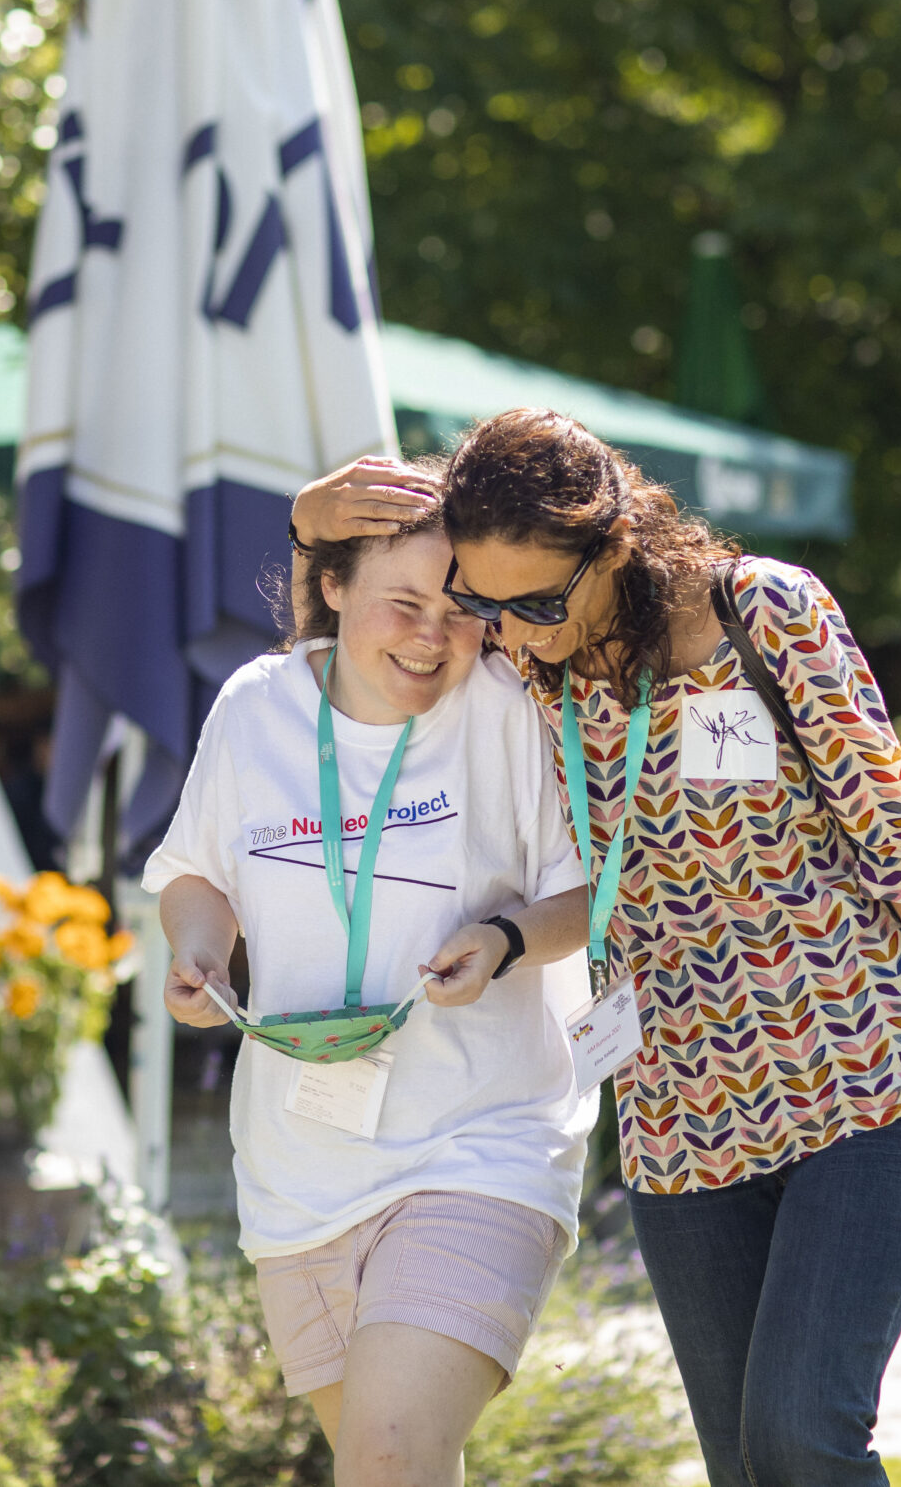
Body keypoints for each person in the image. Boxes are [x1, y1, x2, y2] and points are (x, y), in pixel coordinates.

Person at [292, 414, 901, 1487]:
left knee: (803, 1439)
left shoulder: (761, 613)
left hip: (863, 1078)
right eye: (483, 602)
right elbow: (354, 638)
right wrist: (302, 524)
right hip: (678, 1116)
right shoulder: (532, 667)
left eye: (539, 603)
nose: (510, 633)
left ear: (616, 542)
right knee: (742, 1465)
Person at [146, 495, 595, 1487]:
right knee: (393, 1466)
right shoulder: (255, 707)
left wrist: (502, 937)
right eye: (403, 604)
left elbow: (594, 895)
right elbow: (197, 873)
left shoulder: (507, 708)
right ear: (334, 587)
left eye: (458, 608)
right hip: (296, 1168)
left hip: (481, 1142)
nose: (434, 636)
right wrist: (200, 954)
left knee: (388, 1458)